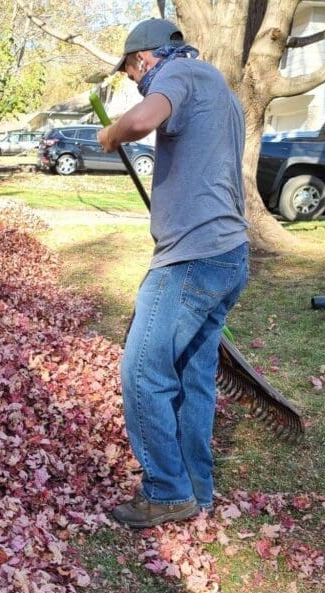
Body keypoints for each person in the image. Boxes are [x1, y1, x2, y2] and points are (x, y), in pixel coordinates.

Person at [97, 18, 250, 528]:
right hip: (228, 253)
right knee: (193, 376)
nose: (133, 79)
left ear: (143, 59)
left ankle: (165, 490)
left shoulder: (177, 75)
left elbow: (141, 121)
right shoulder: (221, 89)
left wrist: (111, 132)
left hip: (191, 258)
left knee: (142, 371)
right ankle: (196, 492)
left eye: (130, 71)